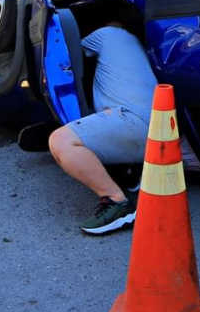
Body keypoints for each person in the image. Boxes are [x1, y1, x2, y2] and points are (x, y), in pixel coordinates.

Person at [48, 17, 157, 235]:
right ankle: (130, 170)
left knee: (61, 141)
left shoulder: (108, 34)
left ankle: (118, 203)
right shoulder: (137, 48)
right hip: (157, 128)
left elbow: (66, 51)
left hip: (132, 121)